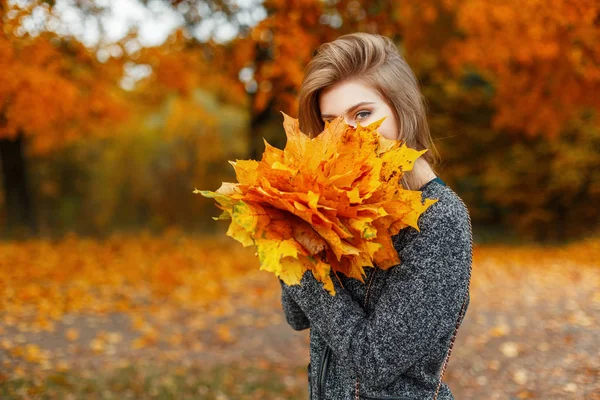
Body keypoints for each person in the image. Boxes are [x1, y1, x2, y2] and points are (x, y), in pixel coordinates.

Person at [279, 33, 473, 400]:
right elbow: (297, 317)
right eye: (331, 121)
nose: (347, 135)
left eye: (363, 114)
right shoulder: (344, 204)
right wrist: (288, 222)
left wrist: (302, 259)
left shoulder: (440, 221)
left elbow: (374, 361)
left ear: (403, 110)